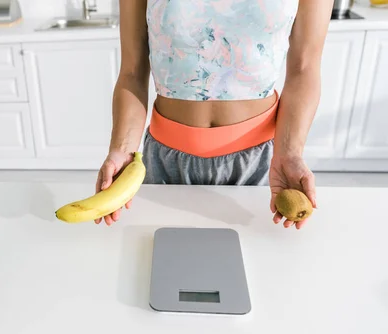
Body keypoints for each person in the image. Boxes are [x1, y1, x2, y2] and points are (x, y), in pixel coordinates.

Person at [95, 0, 332, 229]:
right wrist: (122, 149)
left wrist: (290, 154)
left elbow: (305, 68)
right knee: (162, 262)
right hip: (166, 162)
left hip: (265, 166)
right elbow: (132, 71)